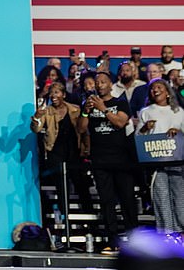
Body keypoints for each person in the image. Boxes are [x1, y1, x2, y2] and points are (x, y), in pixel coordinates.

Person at [77, 72, 138, 254]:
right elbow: (81, 129)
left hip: (121, 160)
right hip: (100, 160)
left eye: (103, 82)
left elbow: (120, 123)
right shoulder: (88, 103)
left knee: (127, 200)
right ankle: (113, 241)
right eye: (97, 82)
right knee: (106, 202)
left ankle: (135, 242)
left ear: (111, 84)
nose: (100, 84)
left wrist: (103, 108)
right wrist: (85, 111)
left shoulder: (120, 102)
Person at [30, 82, 92, 214]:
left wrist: (86, 147)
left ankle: (89, 212)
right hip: (55, 152)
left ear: (63, 94)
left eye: (56, 92)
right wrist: (36, 117)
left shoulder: (75, 109)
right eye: (51, 93)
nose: (53, 96)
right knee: (61, 184)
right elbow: (36, 129)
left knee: (79, 182)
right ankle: (65, 216)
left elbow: (84, 130)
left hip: (74, 152)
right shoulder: (46, 112)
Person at [136, 79, 184, 235]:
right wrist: (144, 128)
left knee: (179, 197)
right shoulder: (146, 111)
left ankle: (181, 232)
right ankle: (167, 234)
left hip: (177, 161)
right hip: (156, 162)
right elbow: (138, 137)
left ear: (168, 92)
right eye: (152, 88)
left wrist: (178, 132)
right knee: (161, 197)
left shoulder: (179, 112)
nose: (155, 90)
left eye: (159, 87)